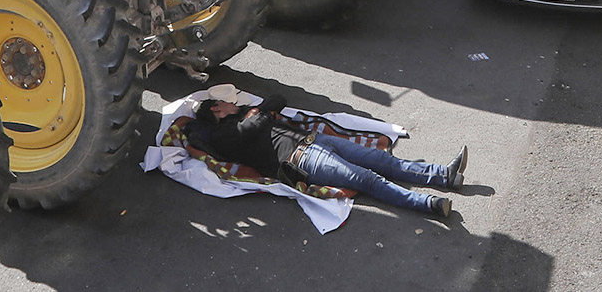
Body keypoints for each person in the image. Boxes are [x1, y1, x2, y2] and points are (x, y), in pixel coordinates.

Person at [191, 84, 467, 218]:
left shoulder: (245, 114)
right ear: (216, 109)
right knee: (368, 179)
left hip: (318, 140)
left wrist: (257, 111)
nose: (234, 103)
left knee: (382, 160)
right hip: (302, 158)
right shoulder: (221, 135)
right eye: (228, 102)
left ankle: (444, 175)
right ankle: (427, 204)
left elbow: (278, 98)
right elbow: (251, 127)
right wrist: (259, 113)